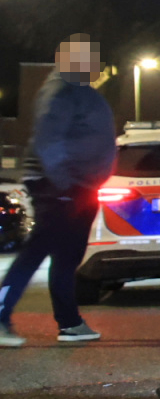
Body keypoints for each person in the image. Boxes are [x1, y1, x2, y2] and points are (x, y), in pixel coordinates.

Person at [0, 35, 118, 347]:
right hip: (61, 187)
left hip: (78, 186)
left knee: (66, 257)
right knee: (37, 252)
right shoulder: (62, 89)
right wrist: (63, 184)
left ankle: (70, 323)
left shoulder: (77, 90)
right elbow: (49, 140)